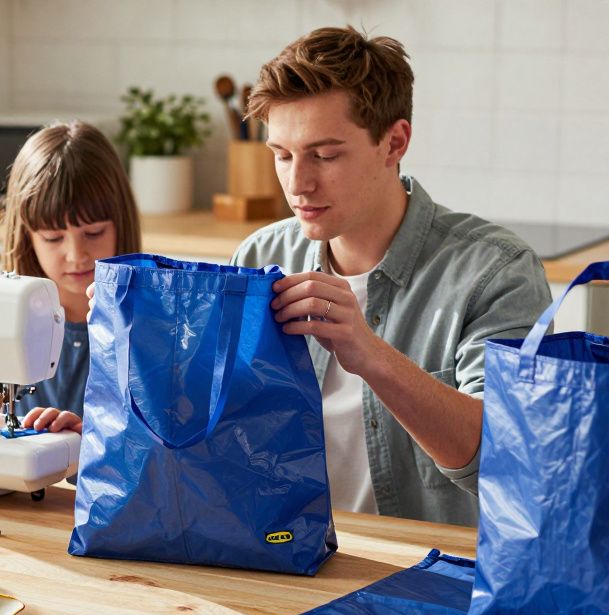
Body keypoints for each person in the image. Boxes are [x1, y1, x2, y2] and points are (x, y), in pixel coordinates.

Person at [233, 26, 552, 526]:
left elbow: (506, 455)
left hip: (429, 576)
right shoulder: (261, 256)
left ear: (394, 142)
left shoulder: (496, 272)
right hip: (284, 556)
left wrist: (370, 354)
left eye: (326, 154)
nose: (298, 183)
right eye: (283, 155)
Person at [0, 121, 141, 433]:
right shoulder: (1, 314)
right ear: (27, 235)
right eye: (53, 238)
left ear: (119, 223)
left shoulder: (144, 319)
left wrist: (84, 437)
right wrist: (40, 436)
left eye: (94, 232)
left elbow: (151, 438)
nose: (76, 254)